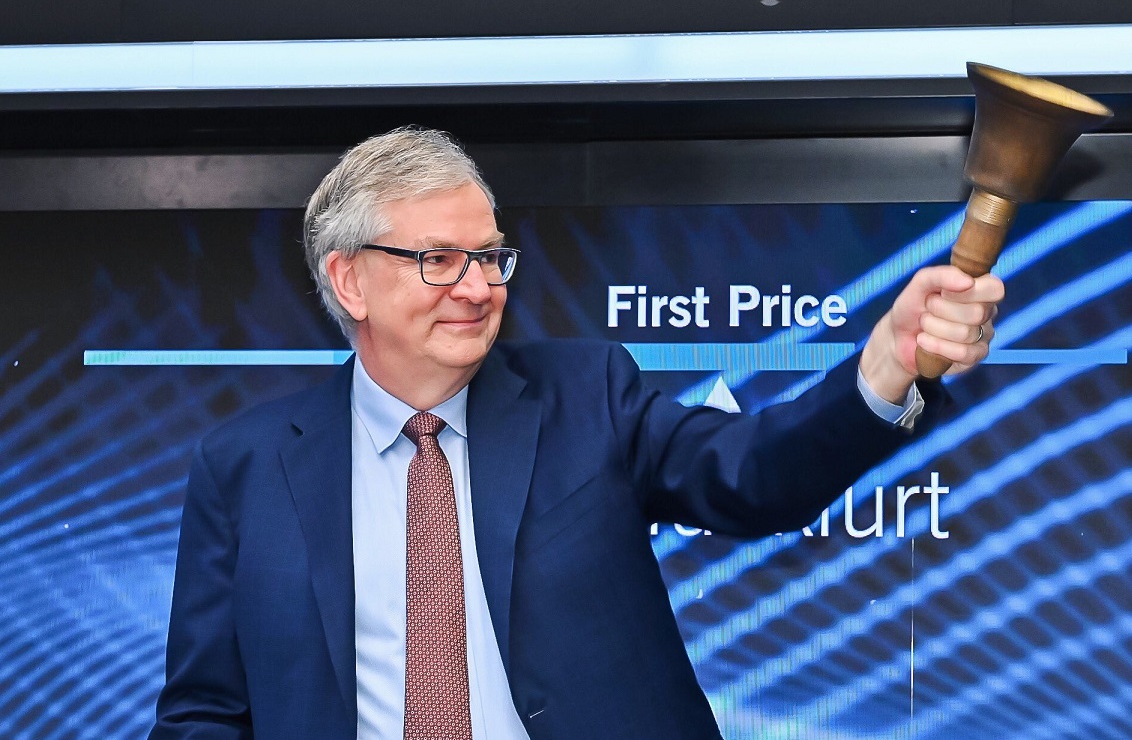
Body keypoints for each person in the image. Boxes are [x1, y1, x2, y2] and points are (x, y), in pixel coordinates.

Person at [151, 127, 1004, 740]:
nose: (478, 287)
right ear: (350, 281)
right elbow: (204, 713)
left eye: (491, 257)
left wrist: (886, 365)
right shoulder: (244, 468)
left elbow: (755, 475)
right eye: (439, 259)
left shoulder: (587, 394)